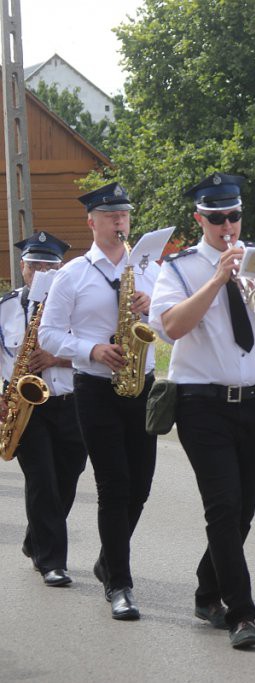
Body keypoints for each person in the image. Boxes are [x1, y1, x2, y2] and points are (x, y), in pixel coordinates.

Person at [150, 171, 255, 648]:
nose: (227, 226)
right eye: (217, 219)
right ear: (200, 219)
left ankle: (207, 591)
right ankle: (242, 614)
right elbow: (171, 327)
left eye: (234, 216)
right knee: (223, 507)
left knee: (243, 510)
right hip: (202, 405)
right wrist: (218, 279)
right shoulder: (178, 268)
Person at [39, 182, 159, 621]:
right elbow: (49, 334)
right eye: (111, 216)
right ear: (92, 222)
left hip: (141, 383)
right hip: (94, 388)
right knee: (114, 485)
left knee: (140, 487)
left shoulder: (149, 269)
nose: (120, 222)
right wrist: (91, 349)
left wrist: (152, 308)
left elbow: (170, 324)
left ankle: (109, 558)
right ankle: (120, 584)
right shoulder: (72, 274)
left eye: (124, 214)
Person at [1, 232, 87, 588]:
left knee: (67, 477)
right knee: (42, 480)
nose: (40, 273)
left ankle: (37, 538)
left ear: (60, 270)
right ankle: (52, 562)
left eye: (49, 267)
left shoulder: (78, 306)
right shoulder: (6, 307)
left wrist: (57, 358)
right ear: (22, 267)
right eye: (34, 266)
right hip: (26, 406)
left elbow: (97, 353)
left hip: (71, 402)